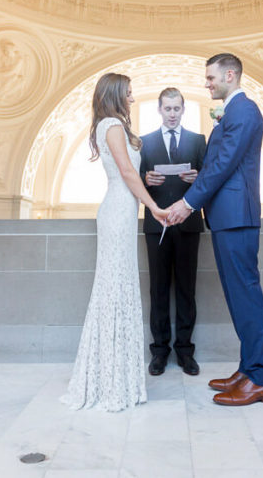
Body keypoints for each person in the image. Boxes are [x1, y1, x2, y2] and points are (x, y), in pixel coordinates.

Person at [167, 53, 263, 406]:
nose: (207, 83)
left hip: (237, 217)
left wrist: (188, 202)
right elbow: (223, 164)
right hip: (227, 216)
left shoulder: (244, 110)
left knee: (246, 296)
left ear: (231, 74)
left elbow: (225, 163)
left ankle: (260, 378)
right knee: (238, 297)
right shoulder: (233, 111)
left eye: (211, 78)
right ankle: (247, 369)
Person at [63, 73, 169, 411]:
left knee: (118, 286)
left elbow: (128, 172)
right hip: (118, 211)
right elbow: (125, 172)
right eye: (129, 93)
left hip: (121, 210)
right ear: (116, 94)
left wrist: (144, 189)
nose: (133, 98)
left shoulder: (108, 125)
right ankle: (110, 379)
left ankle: (115, 375)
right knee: (113, 287)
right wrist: (153, 206)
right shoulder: (112, 125)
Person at [140, 87, 206, 377]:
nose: (172, 114)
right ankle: (159, 352)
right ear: (159, 110)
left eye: (176, 109)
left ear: (183, 109)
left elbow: (210, 180)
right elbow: (135, 183)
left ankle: (185, 351)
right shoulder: (144, 142)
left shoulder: (197, 140)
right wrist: (146, 179)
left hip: (189, 225)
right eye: (167, 109)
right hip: (157, 225)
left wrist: (198, 177)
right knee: (158, 290)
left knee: (186, 290)